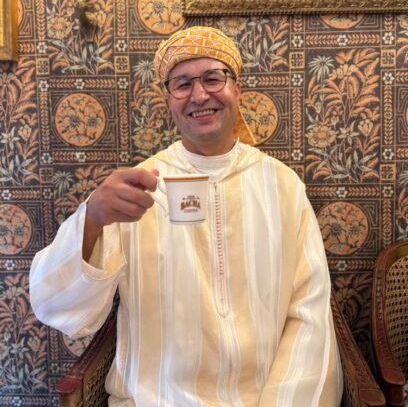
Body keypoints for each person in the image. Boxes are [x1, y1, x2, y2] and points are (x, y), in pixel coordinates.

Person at [30, 26, 343, 406]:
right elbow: (58, 308)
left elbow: (309, 311)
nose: (199, 95)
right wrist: (93, 217)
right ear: (168, 99)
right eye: (182, 84)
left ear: (237, 89)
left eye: (213, 78)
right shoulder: (136, 189)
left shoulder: (282, 185)